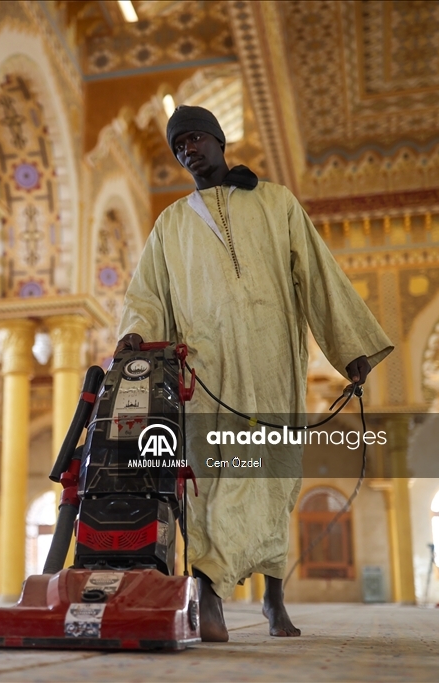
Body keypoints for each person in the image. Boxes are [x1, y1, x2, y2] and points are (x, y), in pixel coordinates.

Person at [117, 105, 393, 641]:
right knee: (209, 480)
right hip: (206, 368)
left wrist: (349, 346)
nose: (187, 151)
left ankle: (273, 598)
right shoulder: (171, 223)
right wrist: (135, 332)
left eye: (195, 139)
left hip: (271, 363)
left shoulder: (275, 202)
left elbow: (315, 270)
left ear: (220, 142)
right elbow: (146, 292)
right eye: (178, 147)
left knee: (270, 476)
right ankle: (209, 596)